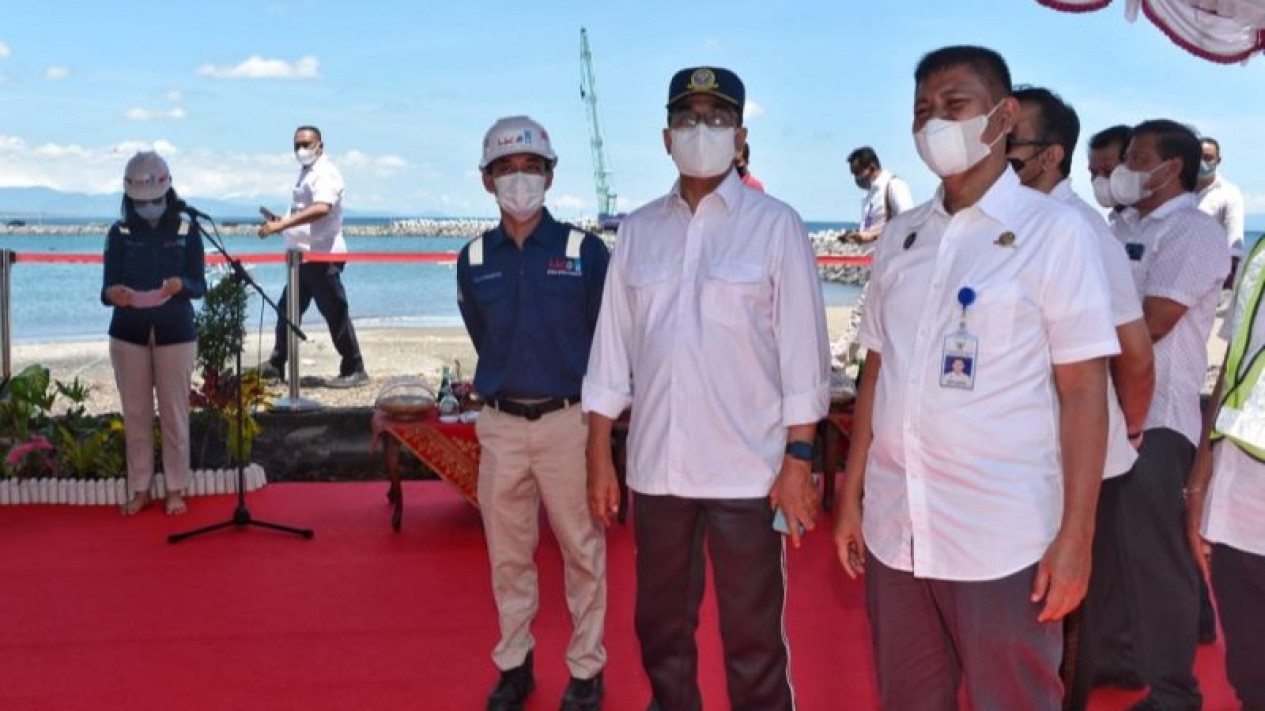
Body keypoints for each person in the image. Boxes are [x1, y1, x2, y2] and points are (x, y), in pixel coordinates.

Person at [833, 46, 1119, 711]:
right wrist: (850, 494)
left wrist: (1076, 535)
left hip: (1002, 536)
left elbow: (1083, 393)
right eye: (922, 111)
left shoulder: (1056, 233)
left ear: (1002, 115)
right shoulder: (902, 236)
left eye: (954, 105)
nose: (935, 122)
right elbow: (878, 368)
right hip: (897, 528)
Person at [583, 66, 830, 711]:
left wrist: (799, 461)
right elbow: (611, 354)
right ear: (666, 136)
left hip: (749, 474)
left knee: (753, 641)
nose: (702, 131)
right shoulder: (636, 231)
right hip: (657, 471)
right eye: (688, 119)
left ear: (740, 136)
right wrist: (597, 461)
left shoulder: (776, 226)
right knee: (660, 631)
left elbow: (805, 356)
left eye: (716, 119)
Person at [1006, 86, 1156, 709]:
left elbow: (1136, 353)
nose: (992, 152)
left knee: (1067, 616)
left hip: (1071, 456)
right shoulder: (1001, 222)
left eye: (1008, 143)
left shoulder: (1078, 231)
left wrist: (1129, 433)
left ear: (1049, 156)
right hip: (1015, 457)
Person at [457, 116, 610, 711]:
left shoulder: (584, 252)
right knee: (508, 555)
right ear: (486, 180)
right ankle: (515, 665)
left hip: (567, 426)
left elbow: (607, 344)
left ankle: (587, 670)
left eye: (530, 168)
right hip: (499, 426)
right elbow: (482, 332)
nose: (518, 180)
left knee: (581, 550)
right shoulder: (472, 259)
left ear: (549, 173)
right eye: (505, 169)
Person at [1108, 119, 1230, 711]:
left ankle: (1174, 693)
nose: (1125, 167)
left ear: (1171, 167)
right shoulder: (1123, 226)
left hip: (1158, 419)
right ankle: (1118, 658)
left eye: (1136, 156)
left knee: (1158, 563)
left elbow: (1154, 321)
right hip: (1107, 414)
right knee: (1111, 552)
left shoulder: (1193, 232)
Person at [102, 151, 207, 516]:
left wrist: (182, 285)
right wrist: (114, 293)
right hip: (128, 332)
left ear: (167, 190)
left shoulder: (186, 228)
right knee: (136, 414)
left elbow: (199, 284)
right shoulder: (119, 232)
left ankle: (177, 487)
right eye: (141, 202)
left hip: (175, 331)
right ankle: (140, 487)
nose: (149, 208)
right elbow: (107, 288)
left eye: (155, 201)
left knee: (175, 414)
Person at [1187, 235, 1265, 711]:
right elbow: (1233, 369)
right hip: (1241, 500)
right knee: (1251, 673)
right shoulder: (1261, 256)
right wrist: (1201, 476)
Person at [258, 125, 368, 389]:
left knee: (334, 310)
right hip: (302, 257)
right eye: (297, 145)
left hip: (323, 255)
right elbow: (303, 211)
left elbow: (321, 207)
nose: (301, 150)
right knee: (288, 310)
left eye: (306, 144)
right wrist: (281, 221)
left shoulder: (326, 173)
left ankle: (354, 366)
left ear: (320, 145)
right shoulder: (305, 173)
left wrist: (282, 226)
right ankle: (276, 362)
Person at [831, 146, 914, 370]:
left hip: (892, 264)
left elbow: (907, 221)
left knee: (861, 314)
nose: (856, 179)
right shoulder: (870, 195)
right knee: (877, 322)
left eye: (858, 173)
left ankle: (837, 362)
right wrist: (858, 238)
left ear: (871, 168)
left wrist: (869, 235)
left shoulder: (894, 186)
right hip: (877, 264)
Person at [1195, 137, 1245, 286]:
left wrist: (1227, 283)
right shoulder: (1181, 190)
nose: (1201, 162)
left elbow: (1235, 243)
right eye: (1197, 157)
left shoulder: (1229, 193)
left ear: (1218, 160)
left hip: (1212, 278)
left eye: (1208, 158)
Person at [1088, 124, 1133, 220]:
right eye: (1094, 173)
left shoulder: (1168, 224)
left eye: (1108, 172)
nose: (1099, 180)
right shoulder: (1112, 227)